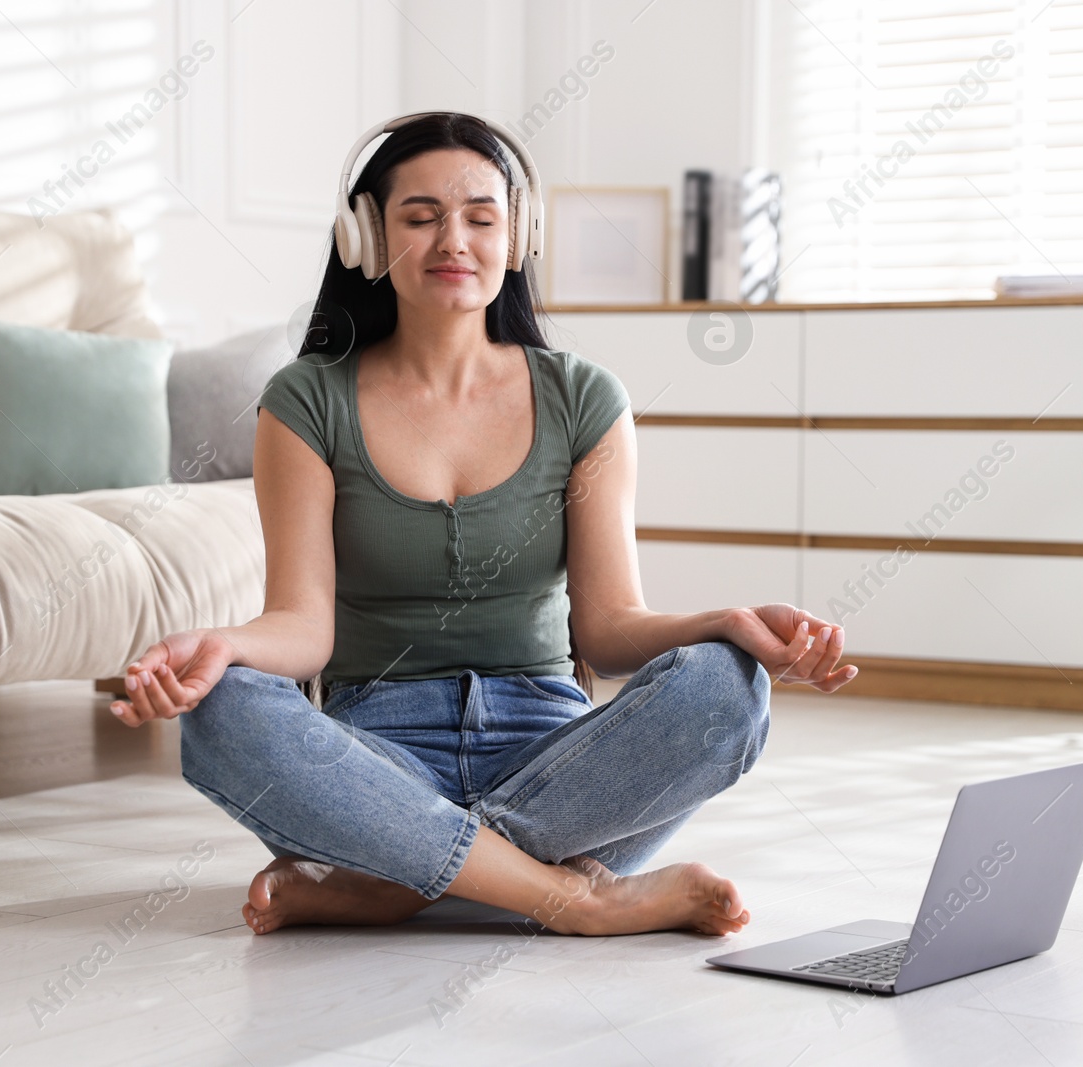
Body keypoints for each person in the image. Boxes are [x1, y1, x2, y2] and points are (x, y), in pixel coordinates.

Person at [109, 112, 858, 938]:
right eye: (420, 216)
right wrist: (220, 647)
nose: (451, 240)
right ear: (366, 235)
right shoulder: (305, 400)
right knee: (223, 709)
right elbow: (303, 629)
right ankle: (567, 895)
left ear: (518, 234)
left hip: (553, 756)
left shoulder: (584, 399)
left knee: (727, 684)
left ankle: (398, 879)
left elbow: (608, 631)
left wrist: (729, 624)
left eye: (480, 216)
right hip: (375, 756)